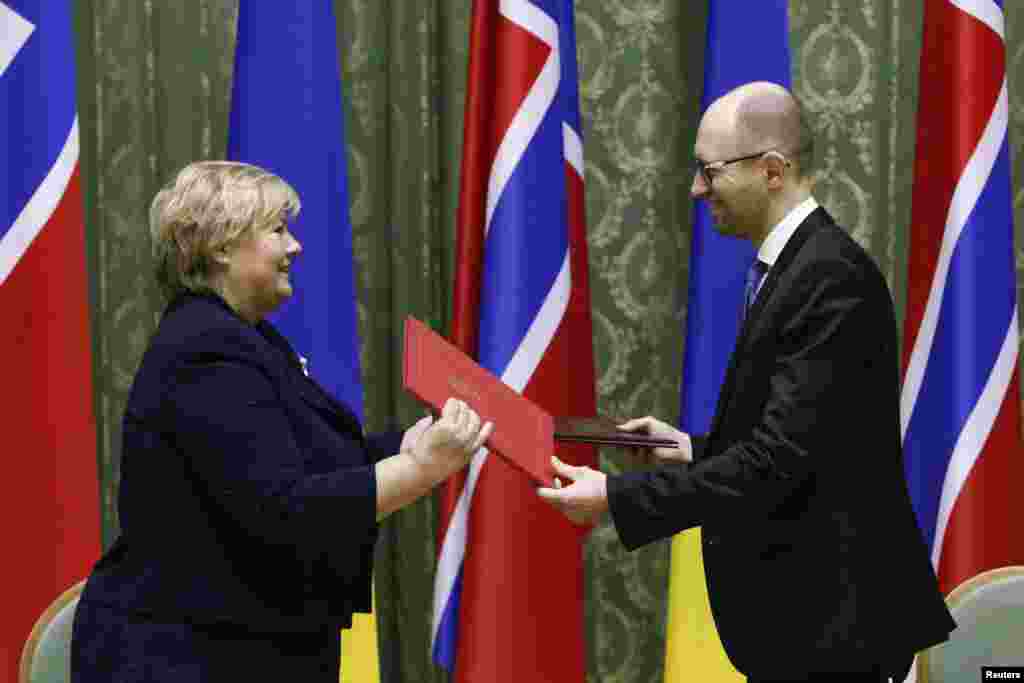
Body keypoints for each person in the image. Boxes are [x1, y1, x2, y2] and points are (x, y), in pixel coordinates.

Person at [539, 82, 955, 681]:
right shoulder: (795, 269)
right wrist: (687, 449)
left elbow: (778, 461)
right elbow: (803, 443)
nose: (696, 188)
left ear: (771, 170)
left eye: (710, 171)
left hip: (835, 632)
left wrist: (614, 499)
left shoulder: (831, 278)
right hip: (804, 629)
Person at [71, 161, 492, 682]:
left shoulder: (247, 338)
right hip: (186, 657)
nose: (295, 247)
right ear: (222, 246)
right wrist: (420, 470)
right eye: (277, 230)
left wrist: (408, 443)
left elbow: (314, 460)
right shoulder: (205, 351)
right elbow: (285, 510)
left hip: (249, 646)